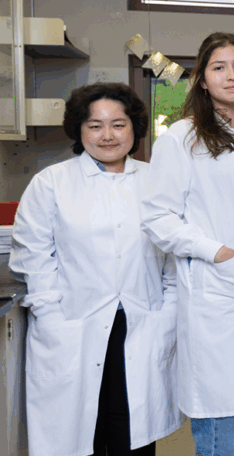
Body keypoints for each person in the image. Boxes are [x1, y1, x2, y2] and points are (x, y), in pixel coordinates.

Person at [141, 33, 234, 456]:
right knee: (231, 402)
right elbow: (157, 218)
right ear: (202, 80)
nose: (232, 75)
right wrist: (216, 252)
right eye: (219, 67)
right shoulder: (183, 137)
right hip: (225, 269)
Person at [12, 83, 181, 456]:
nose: (108, 136)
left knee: (132, 433)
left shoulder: (157, 182)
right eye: (95, 126)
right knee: (80, 435)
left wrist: (169, 313)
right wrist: (51, 315)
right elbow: (33, 256)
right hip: (74, 323)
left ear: (134, 128)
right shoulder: (51, 183)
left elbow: (174, 255)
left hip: (141, 321)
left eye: (118, 124)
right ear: (79, 129)